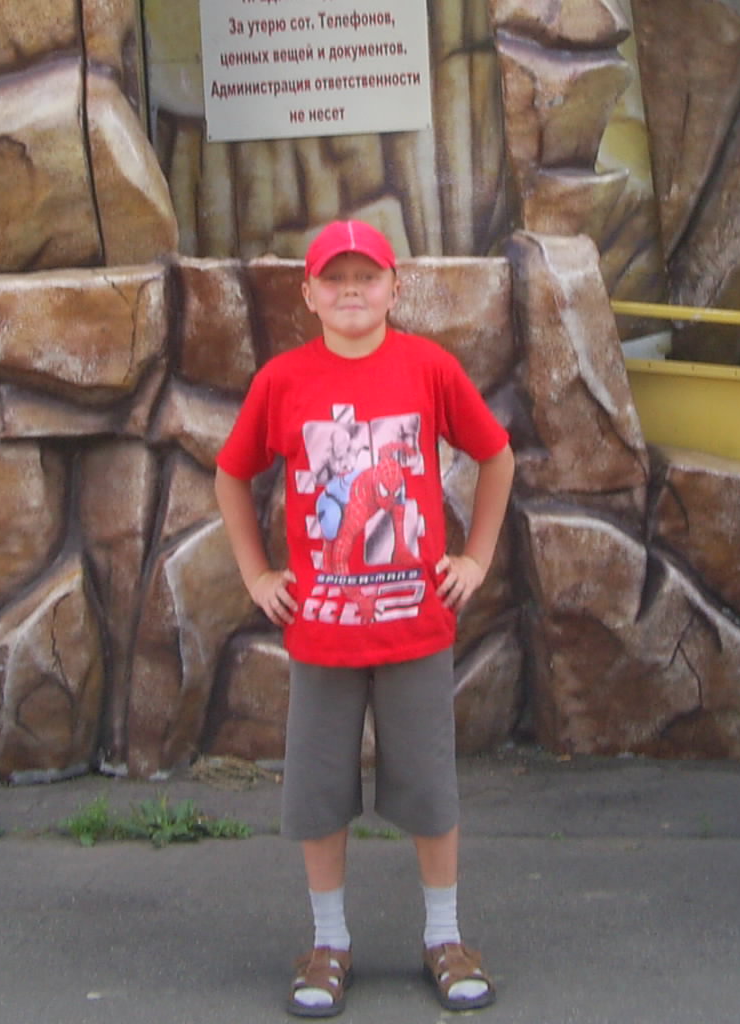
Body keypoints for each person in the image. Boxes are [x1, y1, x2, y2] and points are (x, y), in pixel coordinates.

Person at [214, 220, 515, 1018]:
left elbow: (497, 454)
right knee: (318, 793)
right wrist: (257, 574)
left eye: (367, 276)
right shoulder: (283, 381)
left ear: (394, 287)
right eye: (335, 278)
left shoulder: (429, 368)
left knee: (430, 787)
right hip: (322, 633)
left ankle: (445, 936)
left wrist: (476, 558)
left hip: (415, 626)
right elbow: (232, 473)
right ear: (308, 294)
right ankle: (328, 943)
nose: (352, 291)